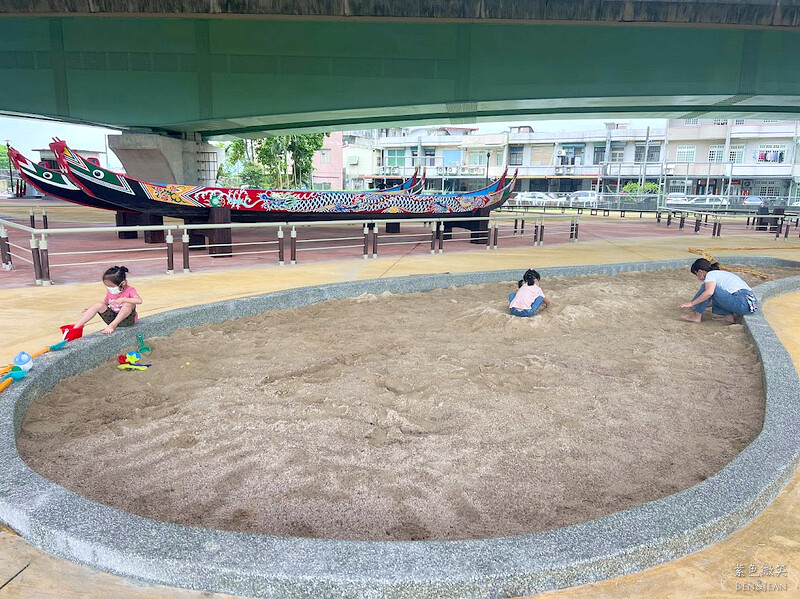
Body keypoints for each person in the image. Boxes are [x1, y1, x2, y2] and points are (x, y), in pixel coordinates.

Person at [680, 259, 758, 323]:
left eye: (697, 274)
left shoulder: (710, 274)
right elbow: (717, 297)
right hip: (750, 304)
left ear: (700, 271)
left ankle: (696, 316)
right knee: (712, 295)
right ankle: (728, 317)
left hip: (741, 301)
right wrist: (697, 304)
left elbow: (709, 293)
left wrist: (692, 303)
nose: (698, 278)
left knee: (706, 288)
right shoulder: (722, 274)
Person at [74, 266, 142, 334]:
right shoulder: (111, 292)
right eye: (107, 286)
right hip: (112, 318)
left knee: (129, 304)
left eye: (112, 286)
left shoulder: (130, 290)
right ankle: (76, 327)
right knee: (98, 305)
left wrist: (124, 299)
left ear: (123, 283)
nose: (109, 288)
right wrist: (92, 309)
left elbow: (139, 300)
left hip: (126, 320)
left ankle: (113, 325)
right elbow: (106, 302)